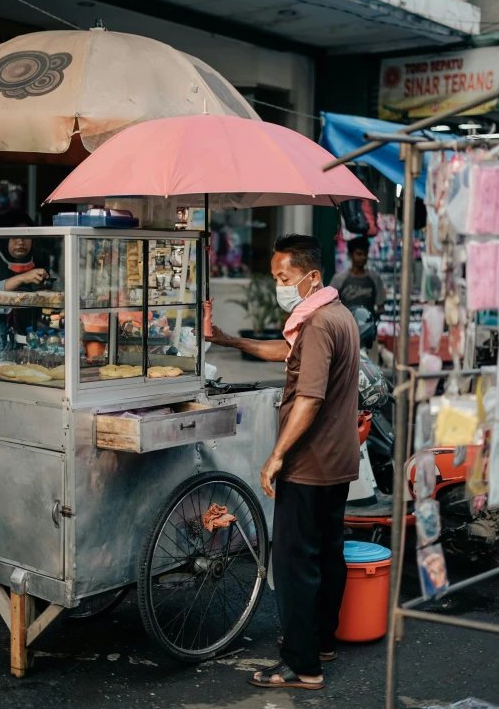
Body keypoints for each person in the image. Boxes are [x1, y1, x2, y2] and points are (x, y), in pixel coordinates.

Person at [208, 234, 360, 690]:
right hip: (339, 458)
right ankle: (322, 642)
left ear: (310, 276)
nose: (279, 285)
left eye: (284, 277)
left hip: (310, 461)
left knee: (296, 562)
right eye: (275, 277)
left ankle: (302, 665)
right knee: (328, 552)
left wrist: (276, 457)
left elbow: (309, 399)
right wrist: (229, 339)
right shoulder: (337, 313)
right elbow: (286, 353)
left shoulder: (315, 325)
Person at [0, 210, 48, 357]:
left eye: (27, 236)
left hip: (27, 345)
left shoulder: (37, 261)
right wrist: (22, 278)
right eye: (14, 236)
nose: (21, 241)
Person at [330, 236, 386, 315]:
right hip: (345, 325)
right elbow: (329, 305)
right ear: (350, 255)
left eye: (365, 254)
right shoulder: (339, 279)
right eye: (359, 254)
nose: (362, 257)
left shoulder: (375, 279)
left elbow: (381, 306)